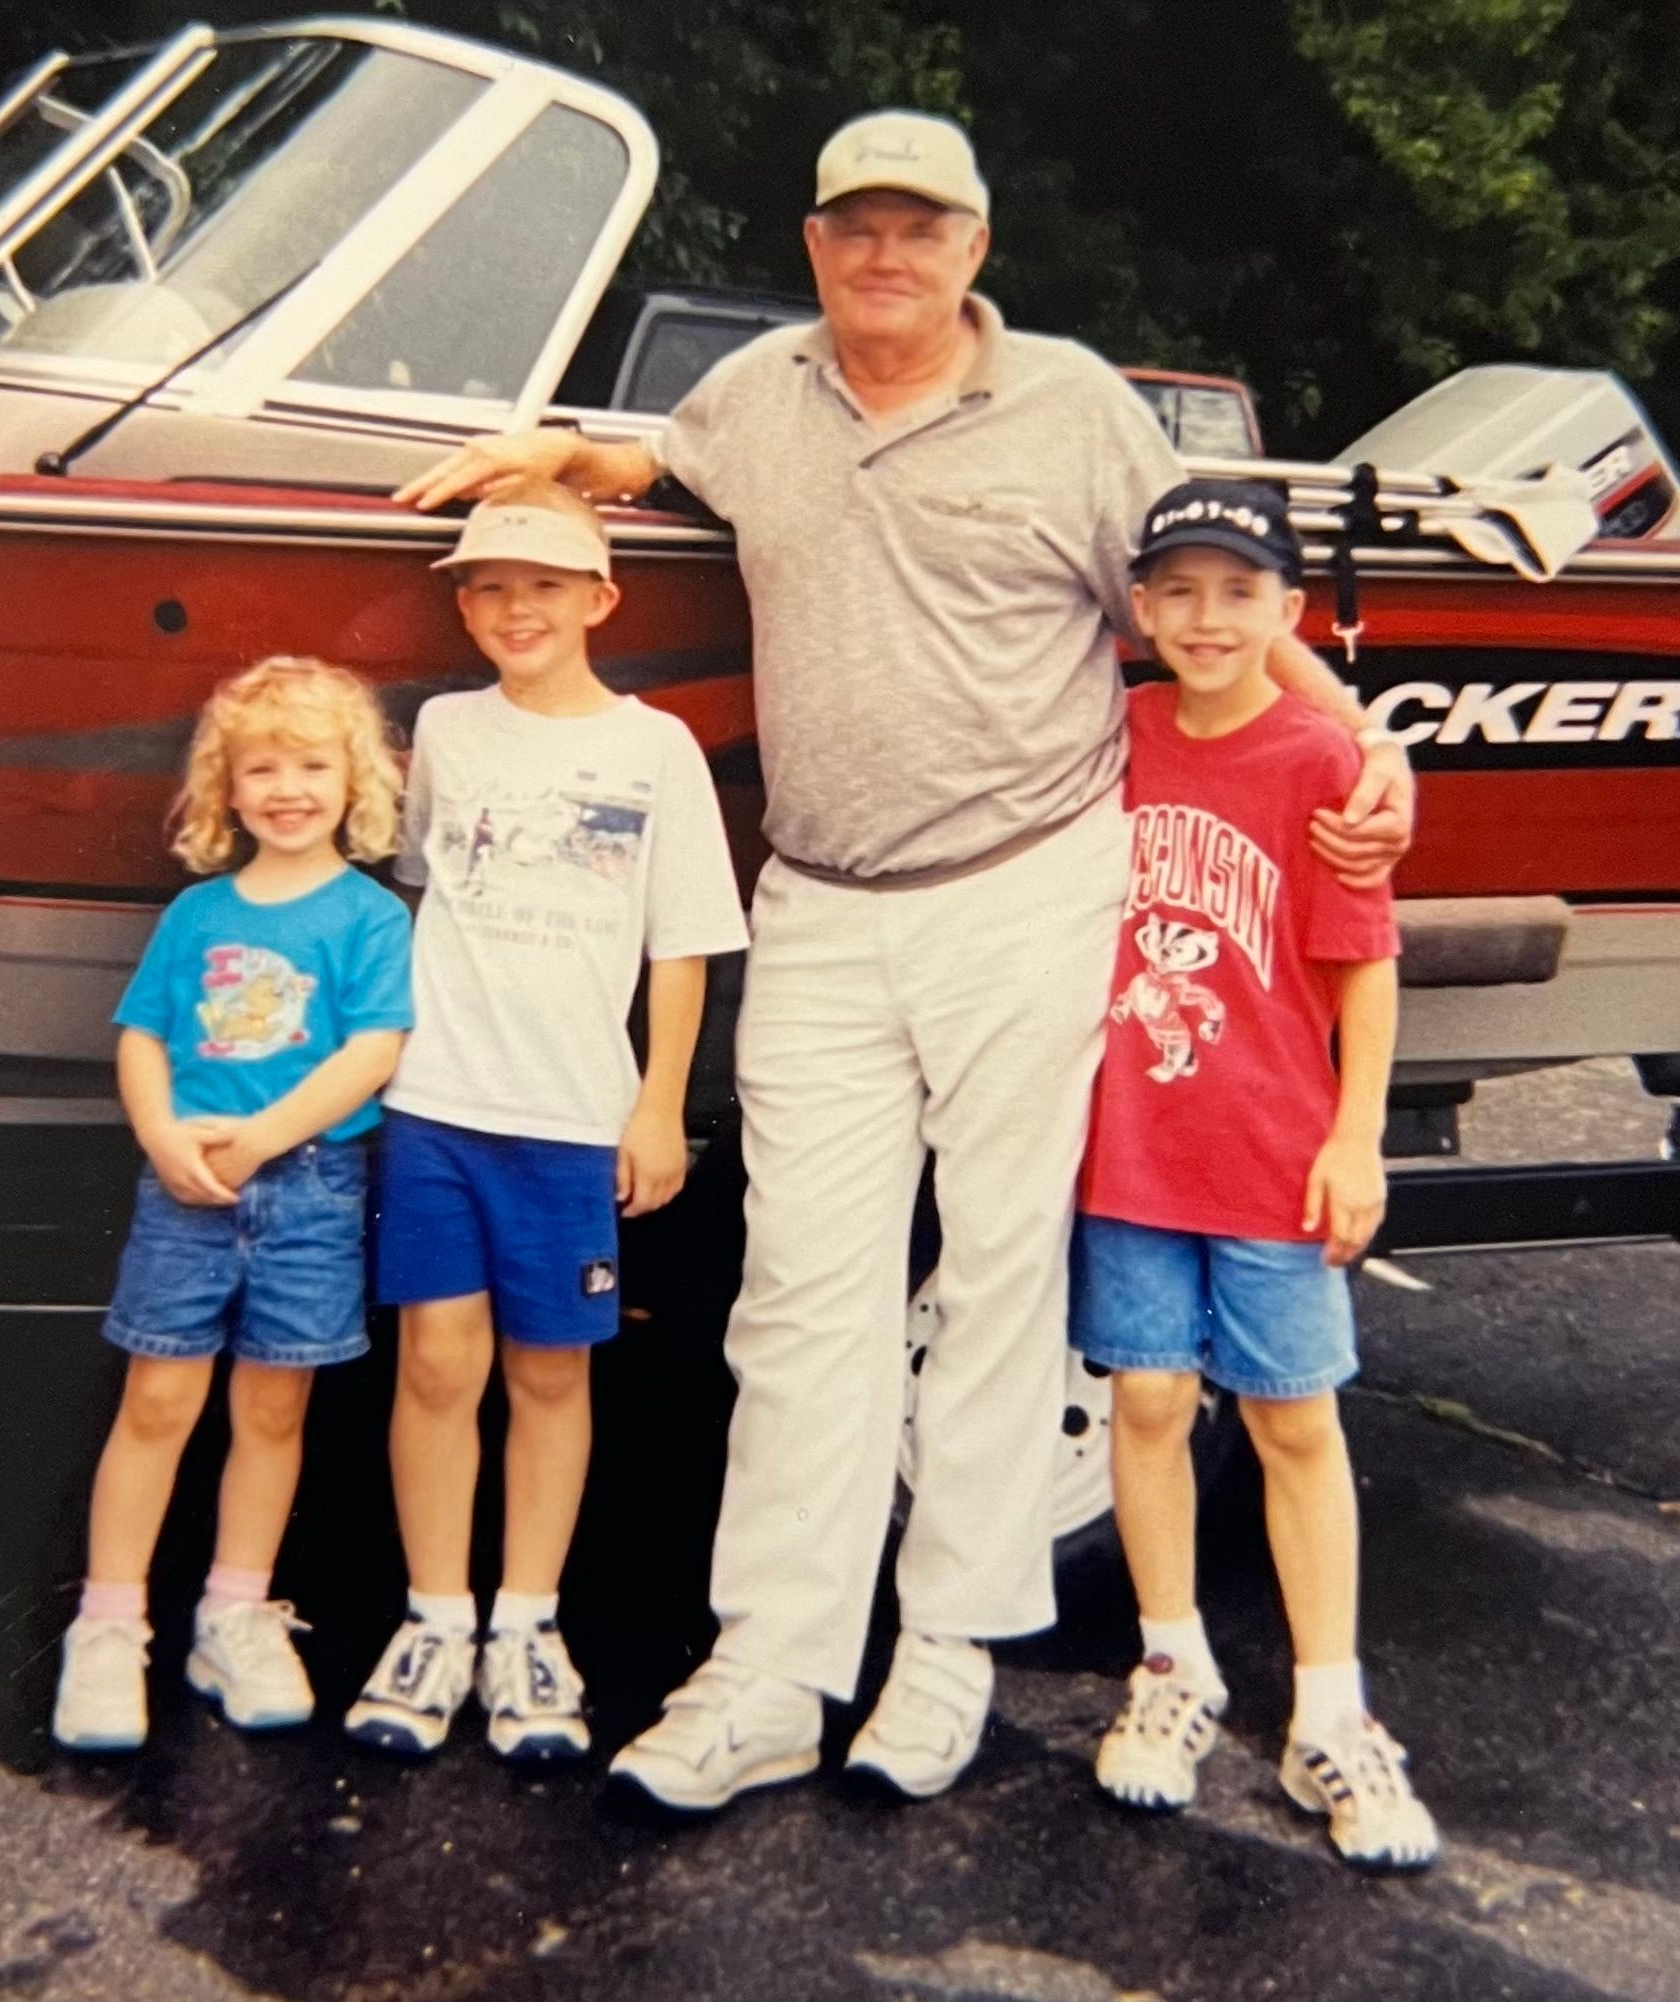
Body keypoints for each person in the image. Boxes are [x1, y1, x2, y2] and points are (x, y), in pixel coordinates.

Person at [394, 113, 1414, 1810]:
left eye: (919, 230)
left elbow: (1212, 599)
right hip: (819, 900)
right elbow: (661, 462)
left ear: (973, 251)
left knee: (999, 1280)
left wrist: (1359, 740)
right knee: (796, 1294)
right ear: (812, 246)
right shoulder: (758, 392)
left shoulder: (1072, 404)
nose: (886, 257)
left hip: (1025, 885)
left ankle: (946, 1651)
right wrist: (556, 461)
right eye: (855, 228)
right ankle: (770, 1668)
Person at [344, 482, 748, 1761]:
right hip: (437, 1106)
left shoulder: (655, 746)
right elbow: (418, 895)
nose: (516, 608)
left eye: (544, 585)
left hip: (572, 1118)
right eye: (488, 587)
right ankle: (432, 1622)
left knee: (550, 1368)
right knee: (433, 1366)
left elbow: (681, 948)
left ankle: (527, 1626)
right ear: (463, 605)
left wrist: (658, 1107)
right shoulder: (448, 731)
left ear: (600, 601)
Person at [1073, 478, 1438, 1870]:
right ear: (1141, 609)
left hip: (1272, 1148)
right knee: (1148, 1395)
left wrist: (1356, 1136)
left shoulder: (1317, 763)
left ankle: (1330, 1710)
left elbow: (1365, 966)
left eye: (1240, 593)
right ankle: (1172, 1665)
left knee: (1292, 1418)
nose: (1206, 617)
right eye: (1179, 590)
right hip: (1129, 1145)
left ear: (1286, 614)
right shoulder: (1114, 735)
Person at [51, 657, 412, 1753]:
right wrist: (163, 1135)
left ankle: (235, 1613)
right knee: (157, 1403)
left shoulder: (368, 915)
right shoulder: (198, 912)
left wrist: (264, 1136)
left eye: (312, 764)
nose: (288, 787)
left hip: (308, 1188)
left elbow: (373, 1049)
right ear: (228, 787)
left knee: (273, 1412)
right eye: (263, 767)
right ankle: (109, 1626)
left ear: (355, 783)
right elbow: (144, 1036)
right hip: (189, 1191)